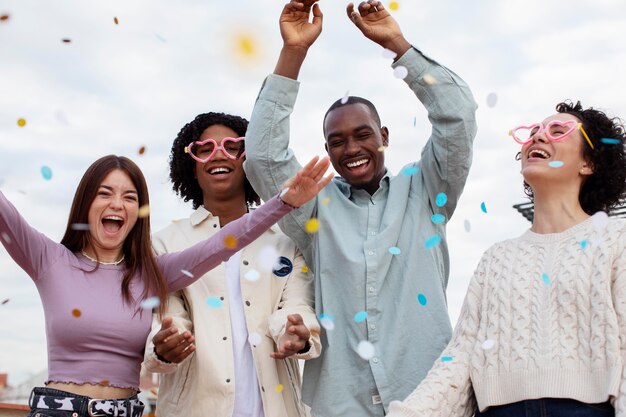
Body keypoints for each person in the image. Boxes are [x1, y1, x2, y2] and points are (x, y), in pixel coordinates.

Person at [243, 0, 478, 415]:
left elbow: (457, 116)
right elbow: (262, 157)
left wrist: (397, 46)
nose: (351, 148)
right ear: (328, 150)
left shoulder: (427, 189)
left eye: (363, 134)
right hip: (342, 402)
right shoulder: (314, 208)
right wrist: (293, 52)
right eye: (336, 141)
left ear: (383, 134)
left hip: (430, 395)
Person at [0, 153, 332, 417]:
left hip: (128, 409)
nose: (117, 204)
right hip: (59, 410)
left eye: (129, 197)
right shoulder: (49, 260)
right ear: (86, 202)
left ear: (137, 213)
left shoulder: (152, 273)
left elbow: (221, 244)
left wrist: (283, 203)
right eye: (105, 193)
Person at [387, 101, 626, 417]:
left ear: (588, 163)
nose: (538, 138)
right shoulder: (496, 259)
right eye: (534, 132)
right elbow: (461, 359)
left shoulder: (616, 239)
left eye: (558, 131)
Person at [143, 112, 321, 417]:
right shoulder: (163, 244)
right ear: (191, 165)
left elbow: (298, 306)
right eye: (205, 149)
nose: (218, 155)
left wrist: (295, 333)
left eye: (231, 146)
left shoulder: (285, 241)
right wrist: (164, 348)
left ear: (247, 159)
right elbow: (166, 319)